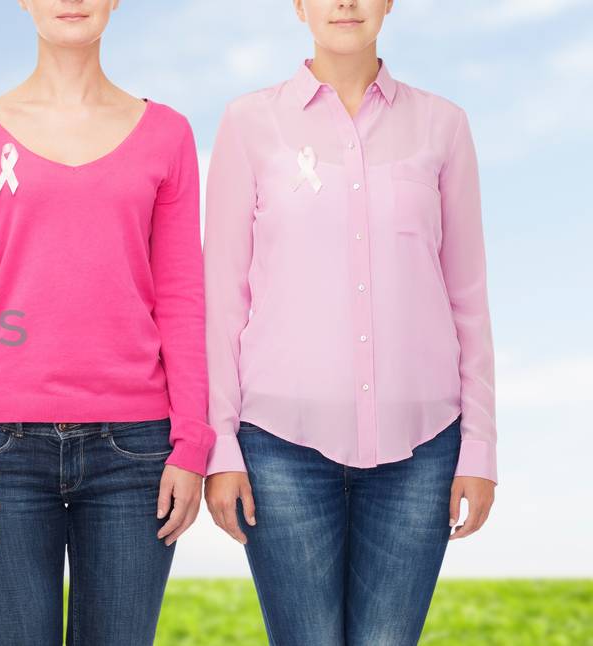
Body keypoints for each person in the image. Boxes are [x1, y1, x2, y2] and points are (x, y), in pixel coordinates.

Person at [203, 1, 498, 643]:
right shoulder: (248, 123)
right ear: (299, 6)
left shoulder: (443, 125)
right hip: (279, 446)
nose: (345, 3)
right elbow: (222, 296)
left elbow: (467, 295)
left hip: (422, 447)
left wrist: (479, 446)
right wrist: (219, 444)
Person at [0, 1, 211, 643]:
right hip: (0, 449)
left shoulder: (167, 133)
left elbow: (182, 296)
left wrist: (192, 442)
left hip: (138, 451)